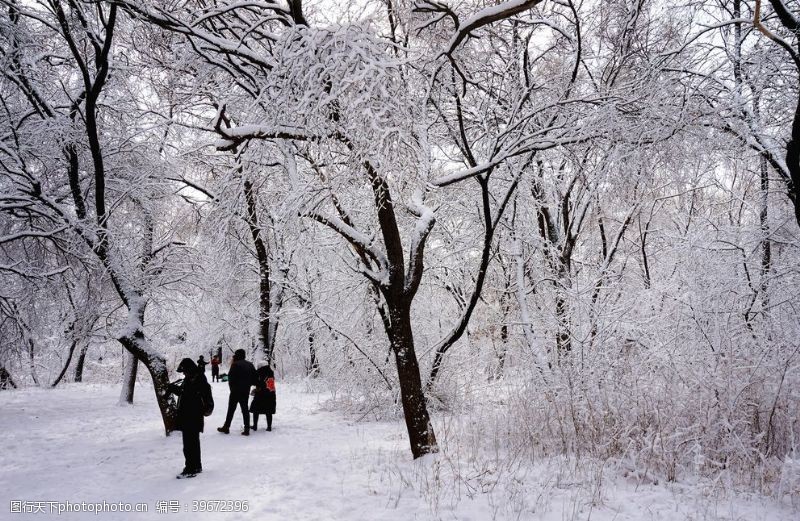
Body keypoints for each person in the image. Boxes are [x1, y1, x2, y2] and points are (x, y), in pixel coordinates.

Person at [168, 358, 210, 479]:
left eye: (185, 371)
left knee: (189, 444)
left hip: (192, 416)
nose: (183, 374)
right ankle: (196, 466)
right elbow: (185, 392)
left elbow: (189, 394)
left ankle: (190, 468)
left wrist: (175, 389)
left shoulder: (197, 379)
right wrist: (175, 389)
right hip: (191, 415)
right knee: (193, 443)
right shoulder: (194, 377)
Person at [217, 349, 257, 436]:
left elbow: (231, 378)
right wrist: (248, 384)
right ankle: (247, 429)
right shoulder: (250, 365)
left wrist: (232, 389)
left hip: (235, 391)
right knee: (245, 409)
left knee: (231, 409)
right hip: (245, 391)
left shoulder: (235, 364)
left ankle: (226, 427)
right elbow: (255, 379)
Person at [250, 363, 276, 432]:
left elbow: (256, 382)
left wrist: (257, 389)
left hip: (260, 394)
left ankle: (255, 426)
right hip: (270, 395)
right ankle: (269, 427)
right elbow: (270, 385)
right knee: (268, 411)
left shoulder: (259, 373)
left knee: (256, 410)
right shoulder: (270, 373)